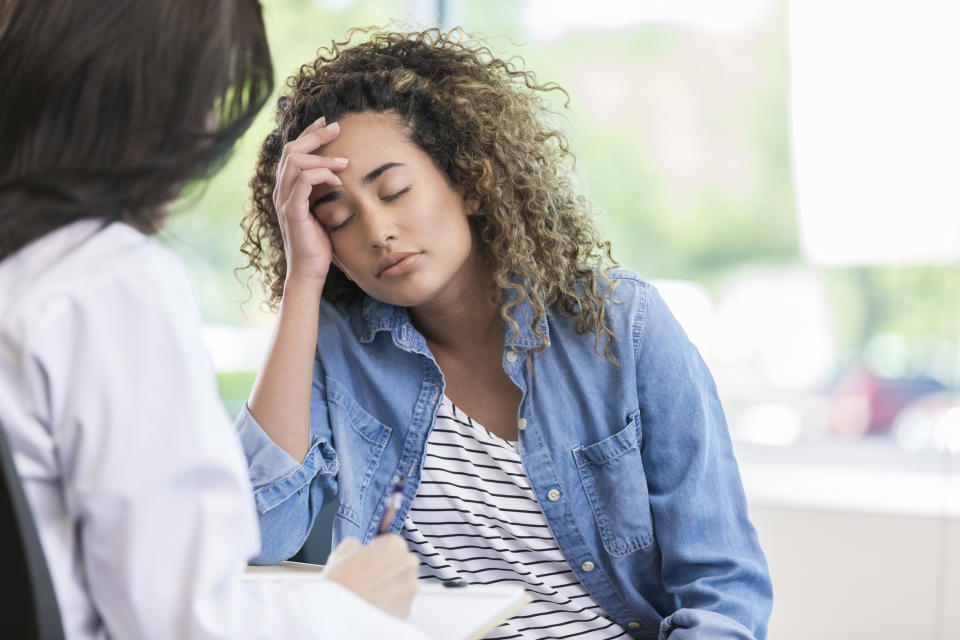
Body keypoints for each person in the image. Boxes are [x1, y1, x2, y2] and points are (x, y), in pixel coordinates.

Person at [236, 27, 774, 640]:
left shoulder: (623, 324)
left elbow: (724, 590)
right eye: (339, 219)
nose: (378, 231)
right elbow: (257, 534)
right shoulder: (337, 349)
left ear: (467, 180)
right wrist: (302, 278)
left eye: (395, 191)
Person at [0, 2, 428, 639]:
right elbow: (185, 620)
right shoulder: (105, 282)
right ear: (154, 103)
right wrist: (348, 605)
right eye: (208, 98)